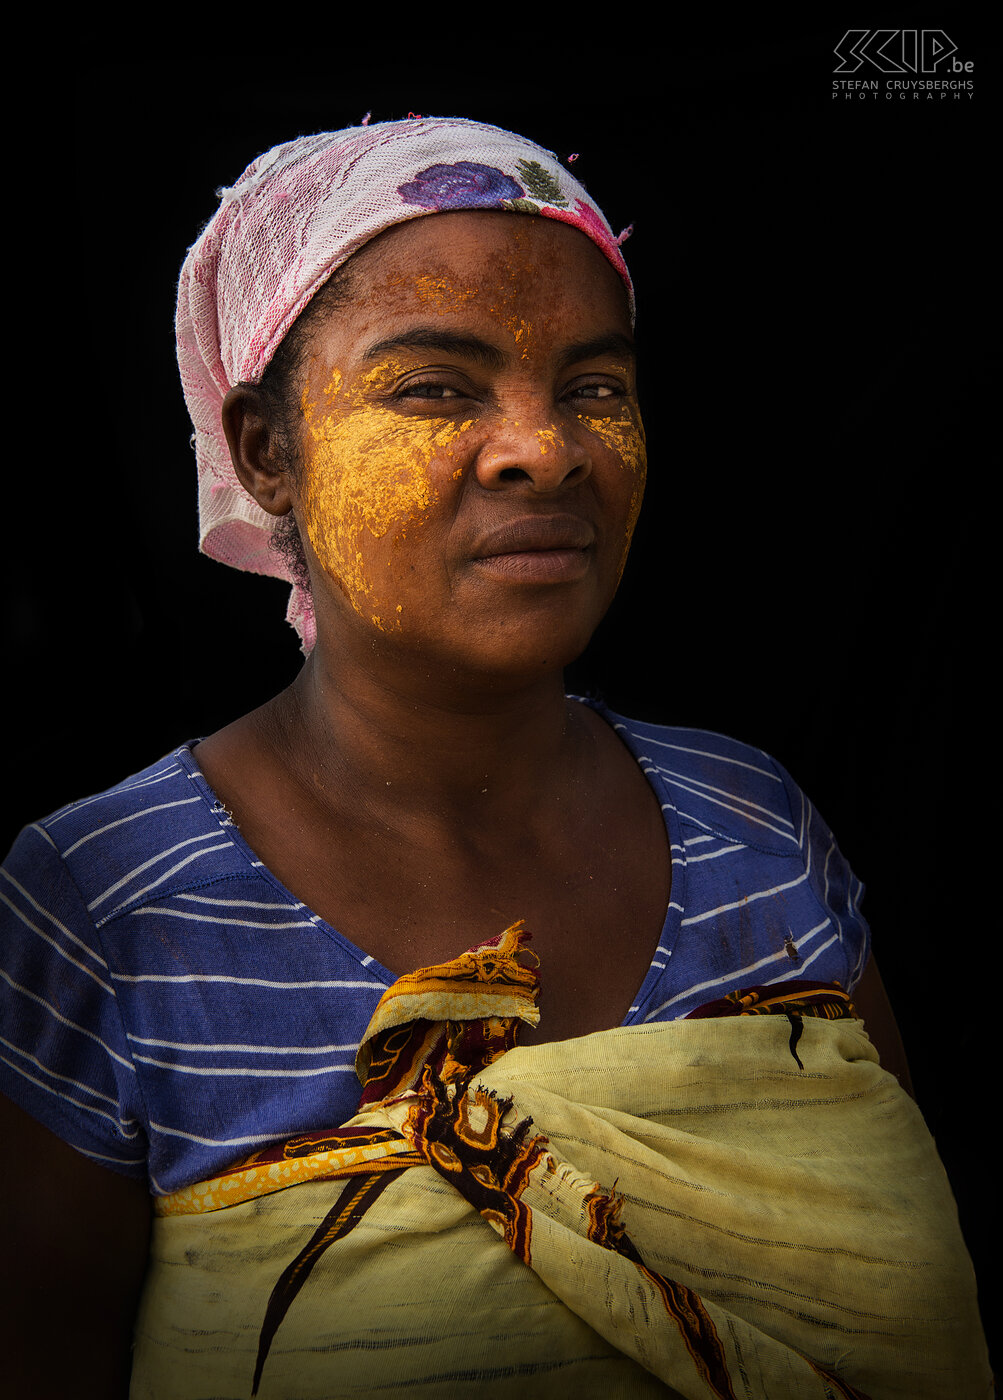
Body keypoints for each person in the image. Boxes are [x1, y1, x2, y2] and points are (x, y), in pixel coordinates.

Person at [0, 118, 989, 1398]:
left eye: (594, 386)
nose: (547, 445)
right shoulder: (106, 898)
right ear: (264, 450)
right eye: (435, 386)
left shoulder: (755, 827)